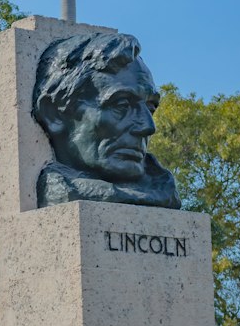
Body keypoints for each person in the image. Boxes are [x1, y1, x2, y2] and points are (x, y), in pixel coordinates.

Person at [31, 31, 180, 209]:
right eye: (121, 105)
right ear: (53, 114)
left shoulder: (163, 190)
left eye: (150, 108)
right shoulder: (60, 192)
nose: (148, 127)